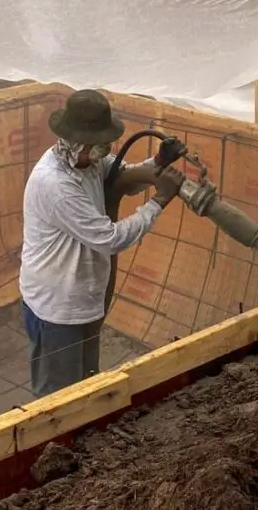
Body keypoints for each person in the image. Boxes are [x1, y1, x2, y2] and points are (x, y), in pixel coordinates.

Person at [19, 89, 185, 397]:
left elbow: (121, 176)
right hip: (56, 307)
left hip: (84, 300)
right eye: (97, 147)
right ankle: (52, 445)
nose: (103, 152)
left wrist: (158, 162)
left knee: (85, 388)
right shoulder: (56, 185)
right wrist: (159, 201)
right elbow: (110, 239)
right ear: (75, 143)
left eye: (104, 145)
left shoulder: (88, 162)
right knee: (56, 400)